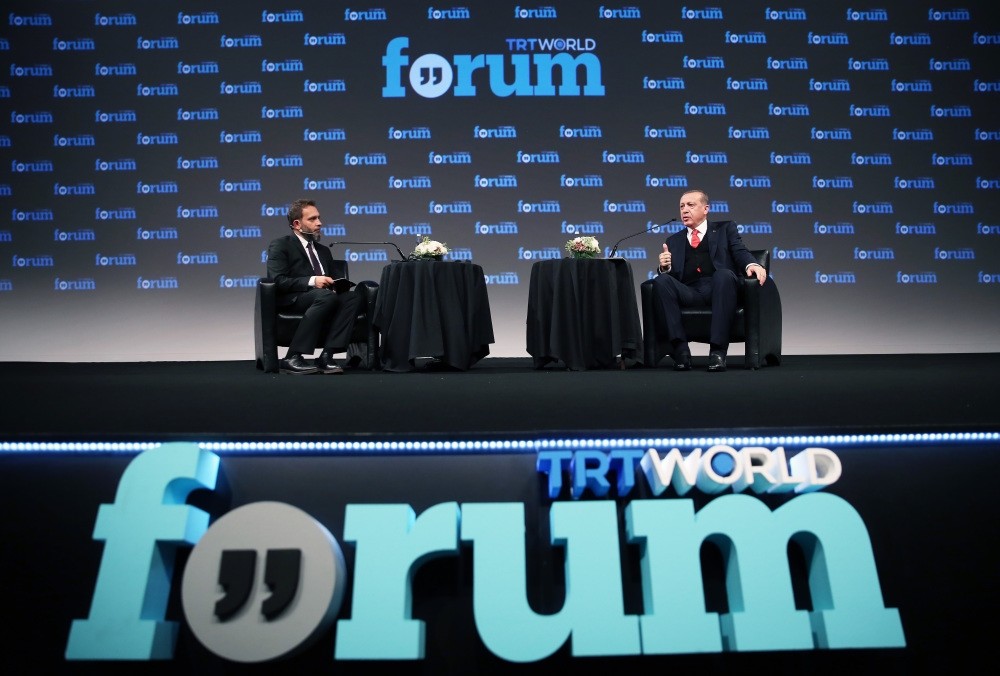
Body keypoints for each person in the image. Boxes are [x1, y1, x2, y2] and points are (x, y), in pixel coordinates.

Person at [651, 189, 767, 372]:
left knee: (723, 274)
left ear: (706, 209)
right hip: (691, 292)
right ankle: (681, 352)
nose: (684, 210)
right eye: (682, 206)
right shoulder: (673, 240)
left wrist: (752, 265)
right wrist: (665, 268)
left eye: (690, 205)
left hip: (721, 288)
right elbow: (673, 280)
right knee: (660, 281)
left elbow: (740, 251)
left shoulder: (725, 229)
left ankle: (718, 353)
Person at [266, 198, 360, 374]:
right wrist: (312, 280)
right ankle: (292, 356)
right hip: (296, 297)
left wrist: (338, 285)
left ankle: (327, 355)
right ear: (297, 224)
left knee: (352, 297)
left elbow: (334, 279)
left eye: (319, 218)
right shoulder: (281, 245)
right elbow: (278, 280)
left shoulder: (324, 251)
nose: (319, 223)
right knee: (325, 296)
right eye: (312, 219)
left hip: (325, 296)